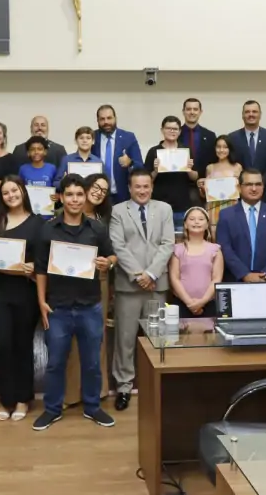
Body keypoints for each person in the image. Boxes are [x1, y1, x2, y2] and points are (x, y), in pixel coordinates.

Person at [33, 174, 116, 431]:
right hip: (57, 307)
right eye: (69, 194)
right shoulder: (48, 229)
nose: (75, 199)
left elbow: (112, 255)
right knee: (56, 362)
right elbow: (40, 270)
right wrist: (41, 303)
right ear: (61, 198)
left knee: (91, 362)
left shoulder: (97, 229)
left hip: (90, 306)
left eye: (79, 194)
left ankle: (92, 408)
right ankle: (52, 409)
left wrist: (108, 263)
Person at [109, 169, 174, 411]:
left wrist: (151, 274)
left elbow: (168, 244)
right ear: (129, 188)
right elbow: (118, 245)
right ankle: (124, 387)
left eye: (146, 186)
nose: (142, 191)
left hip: (157, 284)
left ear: (152, 187)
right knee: (125, 339)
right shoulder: (118, 211)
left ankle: (156, 385)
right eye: (138, 187)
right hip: (129, 286)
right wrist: (139, 275)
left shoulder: (164, 209)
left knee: (157, 338)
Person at [0, 176, 44, 421]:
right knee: (2, 345)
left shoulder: (39, 222)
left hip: (26, 291)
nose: (11, 195)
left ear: (23, 191)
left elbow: (43, 258)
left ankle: (22, 399)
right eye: (6, 192)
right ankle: (6, 399)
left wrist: (32, 266)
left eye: (15, 190)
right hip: (0, 292)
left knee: (22, 346)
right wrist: (18, 268)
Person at [63, 172, 113, 407]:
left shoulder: (104, 220)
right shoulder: (66, 213)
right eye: (96, 186)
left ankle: (99, 391)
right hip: (67, 284)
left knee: (96, 337)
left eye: (104, 191)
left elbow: (112, 253)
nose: (98, 192)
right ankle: (72, 393)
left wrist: (109, 262)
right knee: (71, 341)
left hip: (98, 281)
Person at [216, 168, 266, 283]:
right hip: (236, 281)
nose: (254, 188)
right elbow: (225, 248)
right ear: (239, 188)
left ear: (263, 187)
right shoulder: (226, 215)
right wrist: (244, 274)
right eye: (249, 184)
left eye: (258, 184)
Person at [169, 207, 223, 318]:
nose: (196, 222)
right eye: (192, 219)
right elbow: (174, 278)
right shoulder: (177, 249)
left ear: (207, 224)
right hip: (181, 303)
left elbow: (216, 279)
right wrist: (189, 302)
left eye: (201, 219)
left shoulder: (215, 249)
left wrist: (202, 301)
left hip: (209, 304)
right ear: (185, 224)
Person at [145, 115, 198, 227]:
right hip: (158, 205)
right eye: (168, 128)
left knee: (180, 240)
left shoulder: (185, 150)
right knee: (158, 240)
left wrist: (188, 169)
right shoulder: (154, 151)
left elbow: (195, 177)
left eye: (175, 129)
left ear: (179, 131)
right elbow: (146, 180)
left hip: (181, 205)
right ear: (162, 130)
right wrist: (155, 170)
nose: (172, 131)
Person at [228, 101, 266, 203]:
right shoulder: (232, 137)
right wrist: (245, 183)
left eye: (254, 112)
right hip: (240, 194)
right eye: (247, 112)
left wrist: (259, 182)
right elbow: (230, 162)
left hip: (265, 193)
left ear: (260, 114)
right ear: (242, 115)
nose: (251, 114)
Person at [91, 104, 144, 204]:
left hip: (123, 196)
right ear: (97, 121)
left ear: (115, 118)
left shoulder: (128, 137)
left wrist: (130, 162)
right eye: (102, 119)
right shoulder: (92, 137)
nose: (106, 122)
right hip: (97, 196)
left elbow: (140, 166)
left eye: (109, 118)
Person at [198, 135, 243, 234]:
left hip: (232, 206)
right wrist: (201, 187)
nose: (221, 150)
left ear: (230, 149)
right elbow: (204, 195)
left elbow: (242, 191)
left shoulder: (237, 167)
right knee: (214, 238)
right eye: (218, 147)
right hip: (213, 207)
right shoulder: (210, 167)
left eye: (225, 147)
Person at [179, 98, 217, 180]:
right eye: (188, 109)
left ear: (200, 112)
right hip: (179, 182)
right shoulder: (175, 135)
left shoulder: (210, 136)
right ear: (183, 112)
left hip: (204, 182)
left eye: (195, 109)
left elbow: (214, 162)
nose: (192, 112)